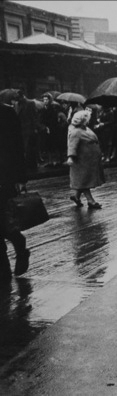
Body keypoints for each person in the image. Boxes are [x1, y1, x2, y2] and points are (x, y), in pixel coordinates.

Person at [0, 102, 29, 280]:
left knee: (3, 220)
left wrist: (20, 178)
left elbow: (18, 146)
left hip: (3, 176)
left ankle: (18, 242)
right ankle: (3, 271)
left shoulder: (6, 113)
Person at [66, 110, 105, 209]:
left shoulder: (85, 129)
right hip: (81, 161)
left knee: (83, 180)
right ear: (83, 120)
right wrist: (70, 157)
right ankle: (91, 201)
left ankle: (76, 196)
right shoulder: (76, 132)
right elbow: (72, 146)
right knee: (84, 181)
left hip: (89, 161)